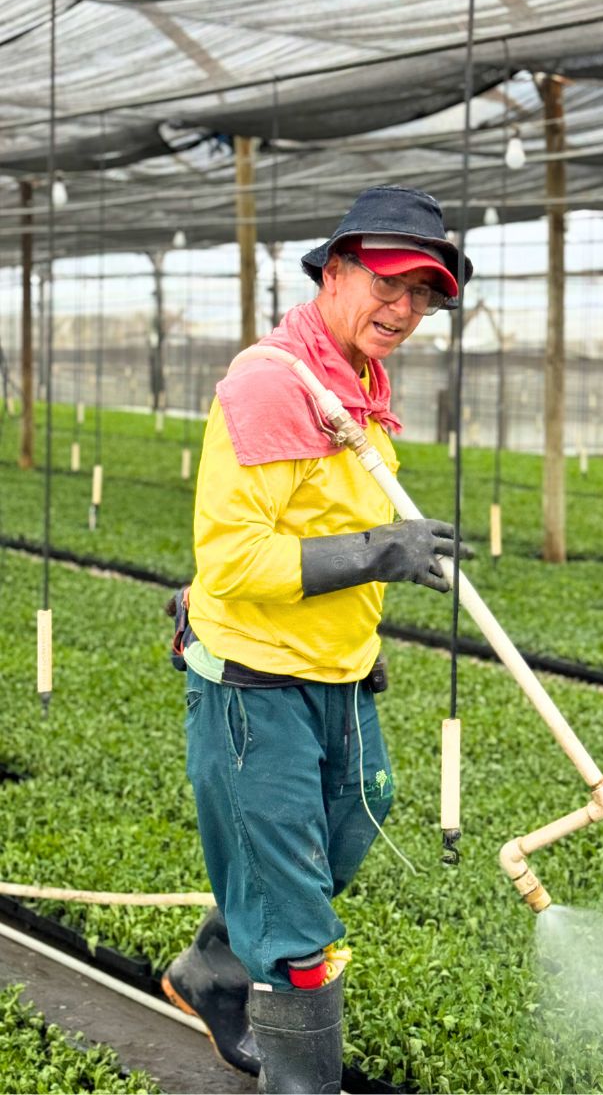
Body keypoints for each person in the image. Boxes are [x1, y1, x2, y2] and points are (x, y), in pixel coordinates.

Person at [162, 185, 473, 1094]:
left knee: (361, 808)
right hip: (256, 686)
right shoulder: (272, 381)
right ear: (335, 273)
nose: (406, 309)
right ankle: (301, 1077)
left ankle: (216, 966)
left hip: (333, 672)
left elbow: (320, 512)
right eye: (390, 283)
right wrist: (382, 551)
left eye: (424, 294)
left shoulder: (359, 382)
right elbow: (233, 558)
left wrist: (360, 634)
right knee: (298, 918)